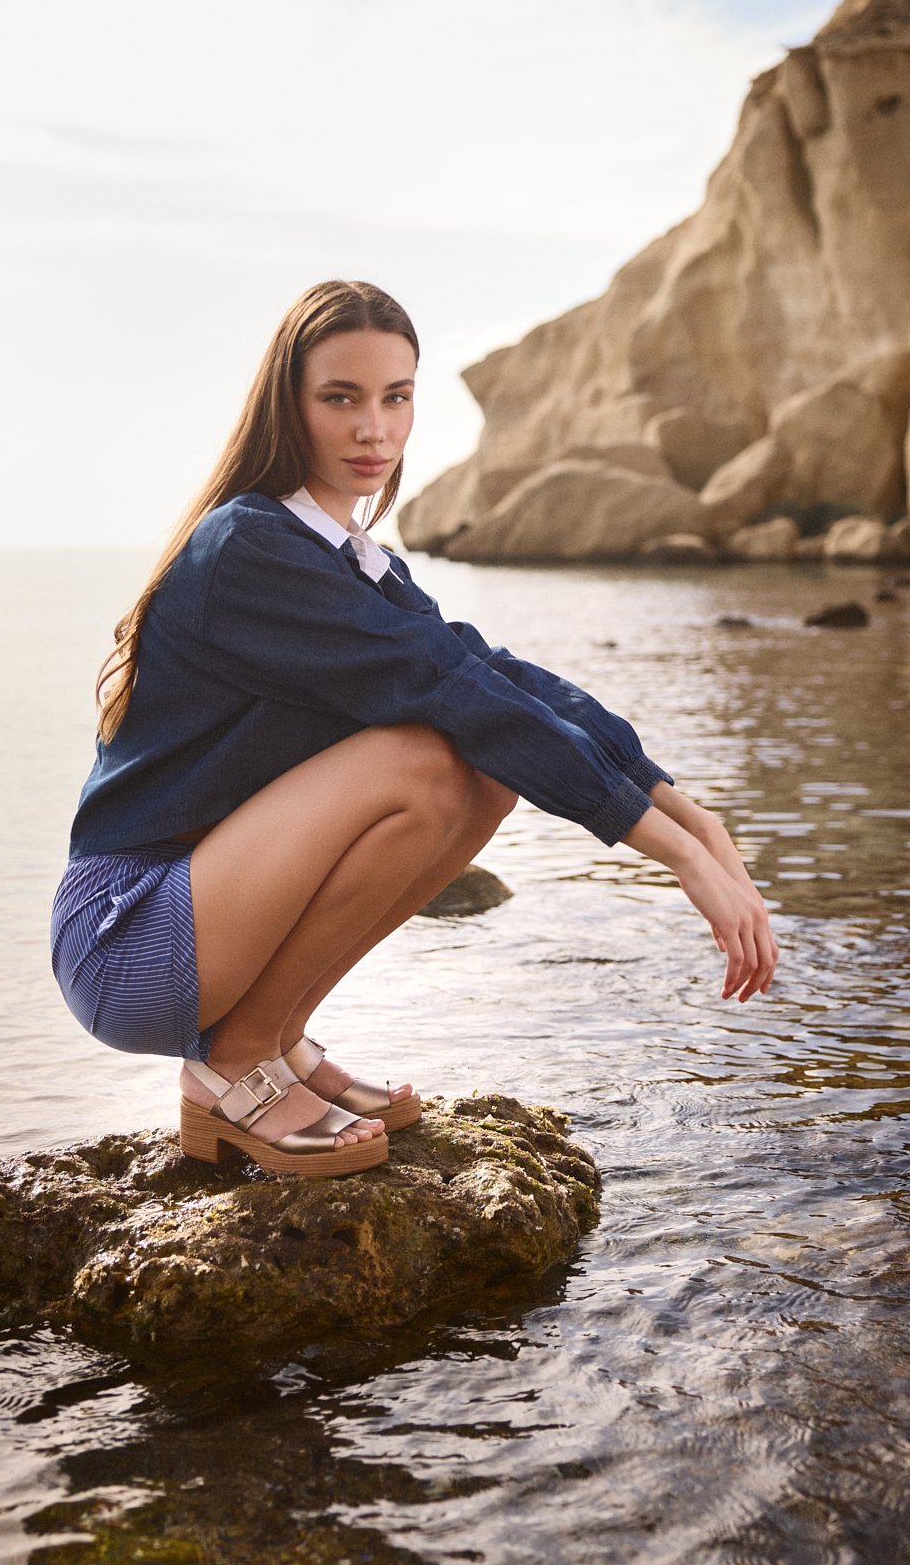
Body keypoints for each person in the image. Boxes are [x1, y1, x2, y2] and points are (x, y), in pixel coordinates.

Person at [51, 280, 778, 1180]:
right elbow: (452, 691)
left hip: (210, 912)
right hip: (128, 935)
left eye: (395, 397)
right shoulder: (248, 547)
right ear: (288, 405)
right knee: (425, 756)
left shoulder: (359, 564)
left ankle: (275, 1041)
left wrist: (693, 821)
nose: (374, 429)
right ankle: (235, 1061)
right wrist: (672, 859)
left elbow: (499, 678)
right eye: (340, 398)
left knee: (489, 766)